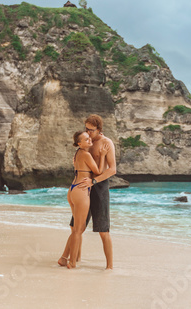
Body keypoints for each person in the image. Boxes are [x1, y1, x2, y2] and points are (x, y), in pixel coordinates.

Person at [59, 114, 117, 270]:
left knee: (103, 230)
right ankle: (72, 259)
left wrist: (95, 181)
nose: (88, 133)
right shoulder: (85, 143)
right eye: (86, 129)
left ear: (99, 129)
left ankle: (109, 266)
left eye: (91, 130)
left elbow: (112, 169)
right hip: (84, 186)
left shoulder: (106, 143)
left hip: (99, 187)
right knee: (77, 227)